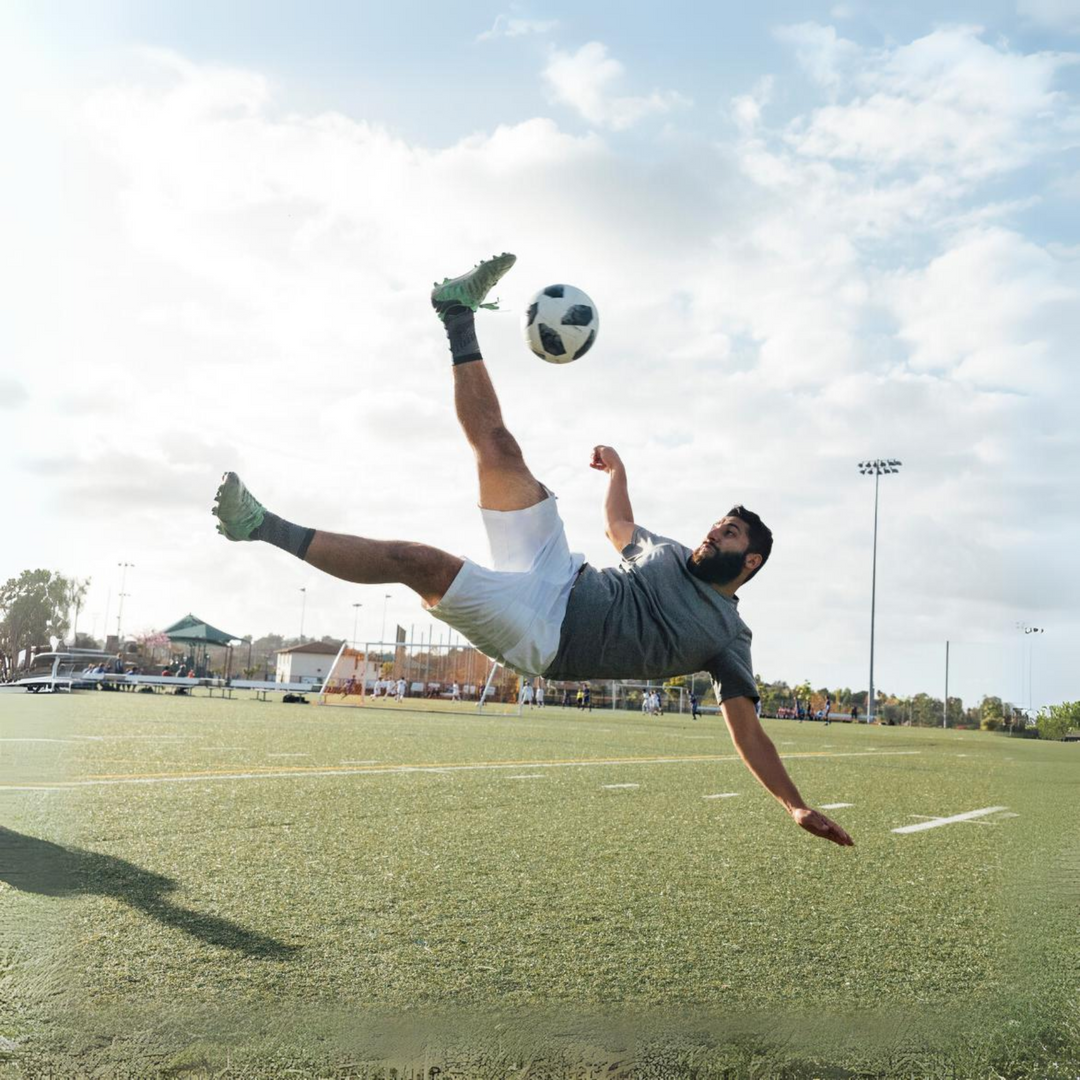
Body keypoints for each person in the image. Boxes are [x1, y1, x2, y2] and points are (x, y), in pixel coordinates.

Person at [212, 253, 853, 849]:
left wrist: (792, 804)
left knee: (419, 563)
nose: (714, 532)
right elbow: (620, 526)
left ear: (750, 563)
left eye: (729, 535)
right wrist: (618, 471)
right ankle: (455, 312)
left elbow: (748, 732)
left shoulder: (727, 637)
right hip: (561, 570)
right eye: (719, 523)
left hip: (548, 635)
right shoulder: (670, 552)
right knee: (501, 449)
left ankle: (259, 526)